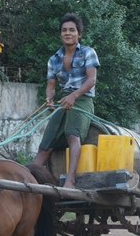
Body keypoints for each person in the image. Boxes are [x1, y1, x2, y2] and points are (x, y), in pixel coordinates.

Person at [33, 13, 100, 189]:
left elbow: (91, 80)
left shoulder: (88, 52)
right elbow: (51, 85)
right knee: (45, 145)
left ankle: (70, 180)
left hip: (82, 100)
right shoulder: (54, 59)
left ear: (79, 34)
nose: (67, 33)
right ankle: (27, 181)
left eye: (72, 30)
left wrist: (74, 96)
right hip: (63, 101)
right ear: (60, 34)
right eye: (64, 30)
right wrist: (49, 98)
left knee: (73, 135)